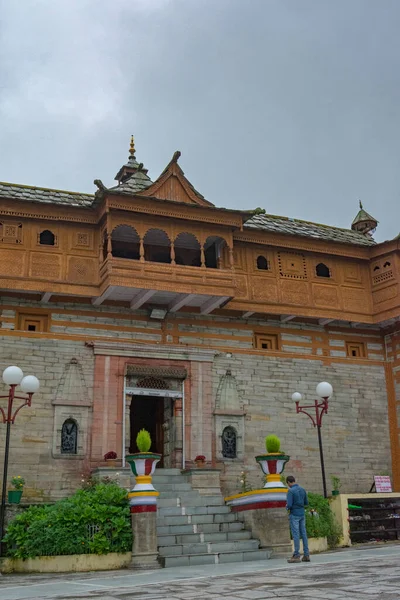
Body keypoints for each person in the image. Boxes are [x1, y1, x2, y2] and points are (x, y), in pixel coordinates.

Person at [286, 475, 310, 563]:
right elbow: (306, 502)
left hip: (294, 514)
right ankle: (306, 554)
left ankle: (296, 555)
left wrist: (286, 508)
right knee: (303, 533)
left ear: (288, 482)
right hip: (302, 514)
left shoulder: (291, 491)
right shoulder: (303, 490)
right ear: (294, 481)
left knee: (296, 534)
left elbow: (289, 505)